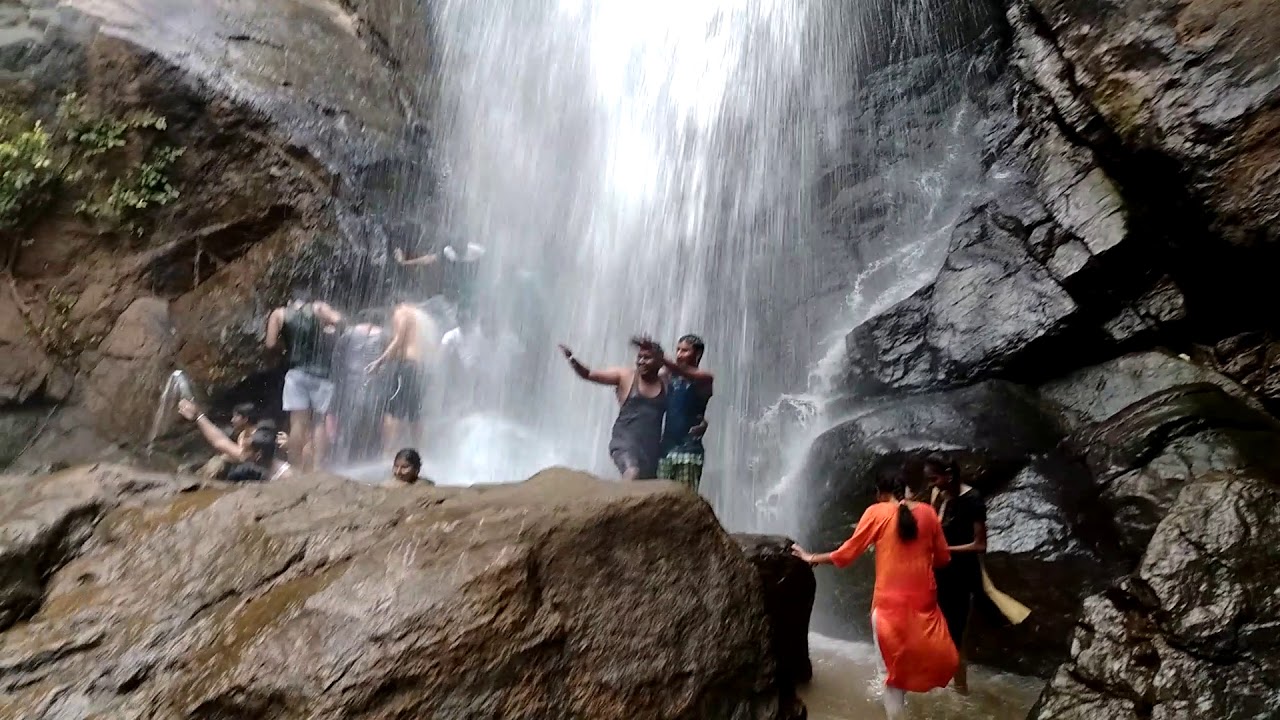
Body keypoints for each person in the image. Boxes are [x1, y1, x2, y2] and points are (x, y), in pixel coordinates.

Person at [792, 472, 958, 720]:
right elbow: (944, 558)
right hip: (924, 604)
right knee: (914, 659)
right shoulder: (928, 513)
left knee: (889, 673)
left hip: (888, 606)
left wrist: (811, 557)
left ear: (881, 494)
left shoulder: (876, 512)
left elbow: (846, 554)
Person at [559, 337, 666, 481]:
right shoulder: (625, 376)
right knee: (632, 471)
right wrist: (572, 359)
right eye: (639, 357)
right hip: (624, 441)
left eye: (647, 358)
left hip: (650, 447)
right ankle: (621, 496)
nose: (641, 361)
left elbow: (680, 372)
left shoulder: (665, 381)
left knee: (645, 483)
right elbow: (588, 374)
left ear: (659, 362)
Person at [925, 452, 987, 696]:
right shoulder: (942, 497)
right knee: (936, 629)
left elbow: (980, 544)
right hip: (940, 574)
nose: (931, 484)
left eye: (934, 479)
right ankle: (939, 683)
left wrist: (944, 549)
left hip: (962, 576)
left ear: (949, 475)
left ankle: (961, 691)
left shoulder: (973, 499)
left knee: (956, 636)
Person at [265, 298, 342, 471]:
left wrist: (284, 349)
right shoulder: (319, 308)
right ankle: (318, 466)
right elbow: (339, 321)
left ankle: (296, 465)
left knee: (297, 422)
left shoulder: (279, 314)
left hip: (296, 372)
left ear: (290, 300)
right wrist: (328, 332)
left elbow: (270, 344)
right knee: (319, 421)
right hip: (322, 373)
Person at [367, 299, 437, 453]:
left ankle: (388, 451)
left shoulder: (402, 312)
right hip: (420, 368)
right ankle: (420, 452)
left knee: (393, 410)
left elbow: (398, 340)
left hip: (406, 366)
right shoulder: (422, 317)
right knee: (414, 413)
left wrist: (379, 362)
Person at [652, 334, 714, 492]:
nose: (679, 355)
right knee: (659, 497)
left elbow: (684, 372)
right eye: (678, 350)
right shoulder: (668, 377)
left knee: (685, 497)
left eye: (685, 351)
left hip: (689, 451)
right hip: (666, 449)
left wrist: (660, 357)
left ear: (698, 354)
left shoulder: (705, 378)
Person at [329, 310, 388, 463]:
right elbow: (388, 361)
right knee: (372, 423)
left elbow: (337, 356)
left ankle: (349, 458)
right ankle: (370, 458)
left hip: (351, 383)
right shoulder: (384, 334)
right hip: (374, 384)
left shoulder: (349, 333)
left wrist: (337, 380)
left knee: (351, 422)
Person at [395, 238, 485, 310]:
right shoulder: (449, 254)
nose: (458, 248)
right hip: (453, 297)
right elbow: (429, 259)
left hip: (468, 296)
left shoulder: (477, 253)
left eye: (461, 244)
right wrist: (405, 262)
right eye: (456, 246)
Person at [189, 402, 263, 478]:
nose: (232, 420)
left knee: (218, 463)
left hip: (257, 473)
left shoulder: (256, 437)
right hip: (246, 468)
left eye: (236, 416)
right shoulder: (243, 434)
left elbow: (241, 456)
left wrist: (198, 416)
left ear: (245, 419)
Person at [226, 424, 292, 482]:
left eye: (246, 450)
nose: (241, 452)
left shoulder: (284, 475)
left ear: (258, 454)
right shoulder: (250, 468)